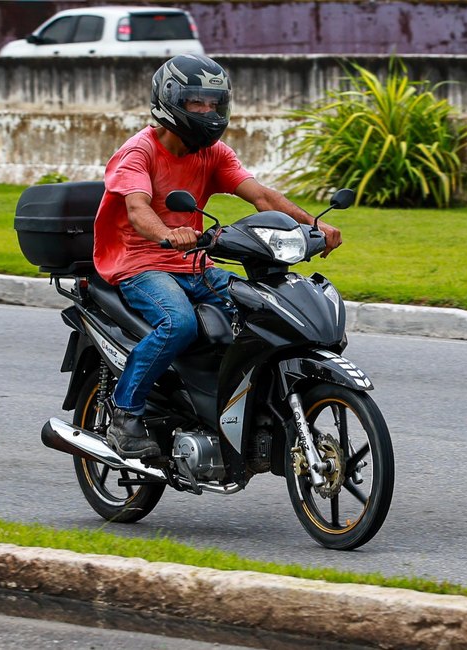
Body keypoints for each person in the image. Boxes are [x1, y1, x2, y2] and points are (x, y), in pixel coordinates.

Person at [92, 54, 342, 459]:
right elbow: (138, 210)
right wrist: (168, 234)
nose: (207, 112)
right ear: (170, 100)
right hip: (140, 263)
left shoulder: (214, 153)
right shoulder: (137, 153)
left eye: (214, 103)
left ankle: (232, 408)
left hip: (194, 263)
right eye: (196, 103)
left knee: (264, 311)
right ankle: (125, 414)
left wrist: (313, 225)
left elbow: (261, 196)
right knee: (178, 324)